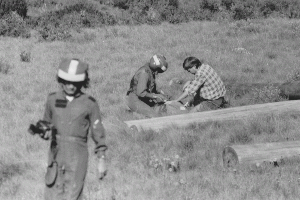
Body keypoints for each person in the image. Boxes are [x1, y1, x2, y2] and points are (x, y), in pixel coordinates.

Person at [39, 58, 107, 200]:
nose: (71, 86)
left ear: (82, 82)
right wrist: (42, 131)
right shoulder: (52, 99)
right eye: (67, 81)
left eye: (75, 82)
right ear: (61, 80)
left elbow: (98, 133)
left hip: (77, 154)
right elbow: (45, 122)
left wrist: (101, 160)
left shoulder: (90, 104)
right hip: (56, 153)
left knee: (73, 195)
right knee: (52, 193)